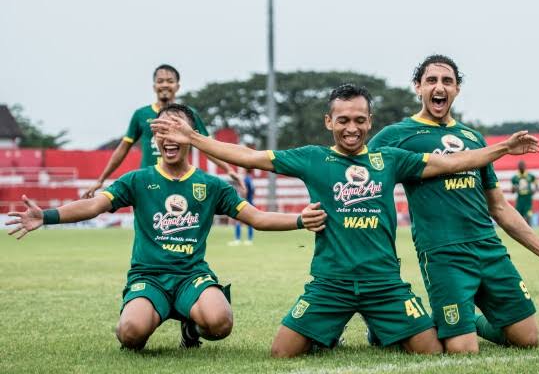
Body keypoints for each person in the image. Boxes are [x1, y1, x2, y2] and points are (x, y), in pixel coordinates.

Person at [151, 87, 539, 357]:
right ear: (329, 122)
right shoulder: (312, 158)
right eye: (342, 120)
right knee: (282, 352)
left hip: (385, 284)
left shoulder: (390, 159)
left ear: (369, 121)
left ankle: (379, 329)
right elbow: (248, 156)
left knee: (432, 349)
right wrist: (195, 139)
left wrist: (503, 148)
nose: (351, 128)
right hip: (331, 283)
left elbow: (454, 162)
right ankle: (329, 332)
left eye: (358, 119)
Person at [6, 105, 326, 351]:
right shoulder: (138, 180)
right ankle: (147, 314)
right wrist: (46, 216)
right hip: (149, 278)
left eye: (176, 129)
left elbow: (256, 218)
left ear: (190, 135)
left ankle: (191, 325)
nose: (167, 137)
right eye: (161, 129)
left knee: (220, 324)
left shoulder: (211, 185)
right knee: (130, 334)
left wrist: (300, 219)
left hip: (192, 276)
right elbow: (94, 205)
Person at [368, 54, 539, 353]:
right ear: (418, 87)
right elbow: (359, 167)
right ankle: (403, 329)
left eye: (447, 81)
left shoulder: (474, 138)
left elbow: (499, 207)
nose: (439, 87)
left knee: (527, 338)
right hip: (443, 252)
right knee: (462, 350)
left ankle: (453, 320)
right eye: (431, 80)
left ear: (457, 90)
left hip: (487, 248)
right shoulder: (396, 136)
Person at [83, 64, 243, 199]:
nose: (165, 85)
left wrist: (228, 169)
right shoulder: (141, 114)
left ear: (177, 86)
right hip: (149, 181)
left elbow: (207, 146)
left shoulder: (189, 114)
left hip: (180, 180)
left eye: (170, 81)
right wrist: (101, 179)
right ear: (154, 86)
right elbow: (123, 149)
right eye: (160, 81)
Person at [230, 168, 255, 246]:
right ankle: (249, 239)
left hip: (245, 203)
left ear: (245, 170)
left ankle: (238, 239)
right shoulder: (250, 180)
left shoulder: (245, 180)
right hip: (250, 202)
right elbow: (253, 192)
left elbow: (245, 191)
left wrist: (241, 200)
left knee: (238, 220)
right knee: (250, 222)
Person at [511, 160, 538, 225]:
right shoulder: (515, 177)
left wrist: (535, 190)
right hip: (520, 199)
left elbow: (537, 185)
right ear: (518, 167)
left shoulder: (530, 176)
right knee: (519, 218)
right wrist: (514, 189)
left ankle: (529, 230)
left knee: (528, 216)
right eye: (520, 166)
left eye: (522, 166)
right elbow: (512, 191)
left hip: (528, 199)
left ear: (525, 166)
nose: (521, 167)